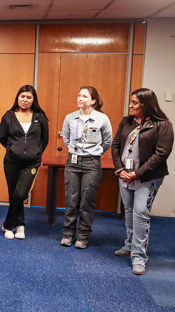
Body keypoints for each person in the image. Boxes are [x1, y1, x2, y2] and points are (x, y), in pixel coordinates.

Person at [111, 88, 173, 275]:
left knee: (140, 213)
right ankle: (129, 245)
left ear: (147, 104)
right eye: (131, 102)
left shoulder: (163, 124)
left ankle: (139, 257)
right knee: (129, 211)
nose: (130, 105)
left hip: (147, 178)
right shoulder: (127, 121)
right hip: (125, 176)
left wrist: (137, 173)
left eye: (135, 103)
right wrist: (120, 169)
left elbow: (161, 154)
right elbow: (115, 146)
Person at [60, 86, 112, 249]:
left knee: (87, 201)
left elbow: (108, 140)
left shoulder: (102, 118)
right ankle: (68, 234)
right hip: (73, 162)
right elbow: (66, 139)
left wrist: (94, 153)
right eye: (79, 95)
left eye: (84, 96)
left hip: (92, 163)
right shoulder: (70, 118)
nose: (80, 98)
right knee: (71, 199)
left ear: (93, 101)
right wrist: (75, 150)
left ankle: (83, 236)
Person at [0, 85, 49, 240]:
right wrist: (14, 149)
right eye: (22, 96)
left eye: (29, 97)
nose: (25, 100)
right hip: (11, 162)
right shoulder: (8, 116)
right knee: (13, 193)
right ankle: (19, 225)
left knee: (21, 194)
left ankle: (8, 224)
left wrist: (35, 152)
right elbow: (2, 138)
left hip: (31, 163)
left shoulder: (40, 117)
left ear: (33, 100)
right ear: (17, 97)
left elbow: (44, 140)